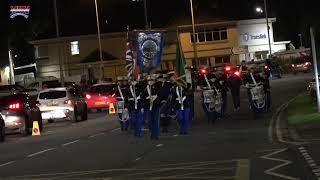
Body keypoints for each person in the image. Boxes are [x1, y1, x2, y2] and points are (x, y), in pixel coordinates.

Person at [143, 74, 161, 140]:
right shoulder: (145, 89)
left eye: (152, 80)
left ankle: (156, 135)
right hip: (148, 107)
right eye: (149, 80)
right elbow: (143, 98)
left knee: (156, 121)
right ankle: (152, 133)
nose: (150, 81)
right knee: (150, 121)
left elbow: (160, 96)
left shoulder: (157, 87)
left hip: (156, 107)